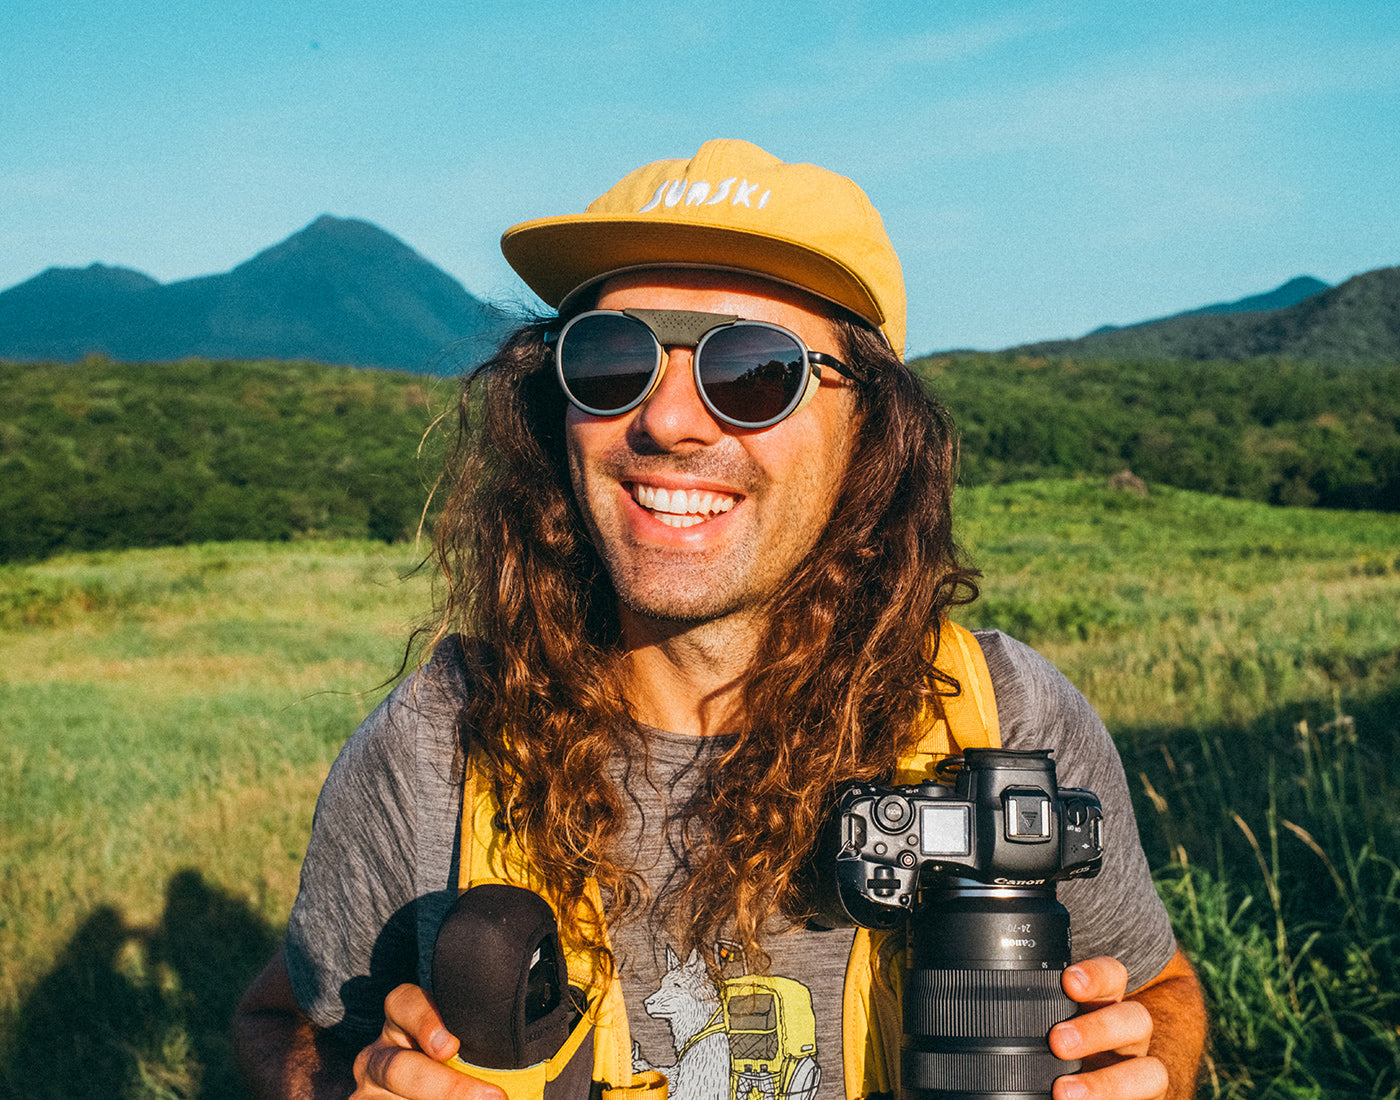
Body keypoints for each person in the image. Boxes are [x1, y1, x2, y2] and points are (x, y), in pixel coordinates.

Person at [233, 139, 1206, 1100]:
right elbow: (284, 1021)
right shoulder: (438, 744)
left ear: (869, 431)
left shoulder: (1002, 720)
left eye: (753, 371)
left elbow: (1161, 989)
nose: (667, 420)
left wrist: (1142, 1068)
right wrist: (346, 1085)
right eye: (611, 359)